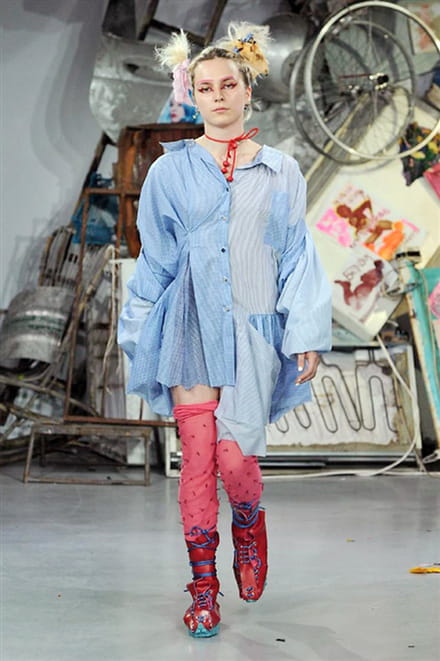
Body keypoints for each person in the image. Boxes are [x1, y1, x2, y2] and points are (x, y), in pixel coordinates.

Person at [118, 22, 332, 639]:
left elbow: (296, 255)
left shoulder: (281, 170)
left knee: (235, 457)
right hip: (189, 325)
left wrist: (305, 331)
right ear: (192, 95)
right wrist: (139, 329)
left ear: (247, 91)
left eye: (227, 85)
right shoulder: (170, 172)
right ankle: (204, 587)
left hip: (252, 328)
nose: (217, 95)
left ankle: (248, 521)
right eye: (205, 87)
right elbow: (156, 257)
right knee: (196, 458)